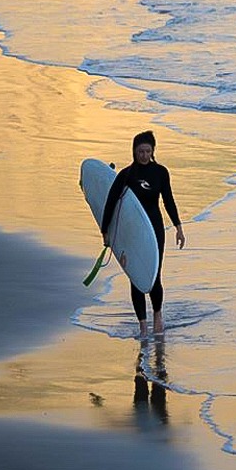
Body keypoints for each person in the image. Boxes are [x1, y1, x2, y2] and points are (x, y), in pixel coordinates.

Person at [101, 130, 185, 338]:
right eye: (140, 151)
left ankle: (157, 315)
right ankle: (142, 324)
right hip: (133, 231)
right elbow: (110, 202)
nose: (144, 155)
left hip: (154, 229)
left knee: (154, 276)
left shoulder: (161, 173)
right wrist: (106, 231)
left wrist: (178, 227)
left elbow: (168, 201)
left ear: (153, 151)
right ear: (134, 151)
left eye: (148, 151)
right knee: (136, 277)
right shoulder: (127, 175)